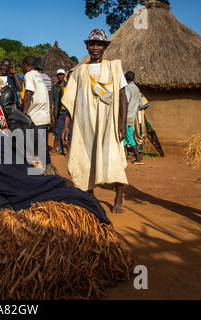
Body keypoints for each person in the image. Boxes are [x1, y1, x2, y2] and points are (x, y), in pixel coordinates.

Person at [0, 52, 109, 224]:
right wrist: (59, 182)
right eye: (9, 106)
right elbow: (22, 185)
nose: (14, 113)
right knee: (82, 200)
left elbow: (11, 173)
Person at [62, 29, 128, 214]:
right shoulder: (79, 72)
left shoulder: (114, 67)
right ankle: (90, 197)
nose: (95, 47)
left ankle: (118, 198)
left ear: (105, 47)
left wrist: (122, 124)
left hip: (109, 124)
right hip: (85, 125)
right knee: (84, 160)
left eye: (99, 44)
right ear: (87, 46)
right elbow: (70, 101)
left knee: (114, 159)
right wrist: (66, 126)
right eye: (92, 44)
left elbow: (123, 97)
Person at [21, 56, 52, 167]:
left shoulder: (29, 75)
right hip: (44, 118)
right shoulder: (39, 75)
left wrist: (23, 114)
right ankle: (49, 173)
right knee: (43, 150)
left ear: (25, 65)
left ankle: (37, 177)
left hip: (35, 118)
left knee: (34, 152)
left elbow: (28, 93)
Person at [124, 71, 143, 165]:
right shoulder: (137, 89)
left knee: (122, 137)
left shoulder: (127, 88)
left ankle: (134, 157)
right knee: (129, 137)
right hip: (132, 117)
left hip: (125, 117)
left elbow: (125, 101)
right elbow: (140, 103)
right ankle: (137, 157)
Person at [50, 68, 69, 155]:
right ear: (57, 76)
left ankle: (62, 148)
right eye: (59, 75)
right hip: (58, 111)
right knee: (58, 129)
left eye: (62, 75)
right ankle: (59, 148)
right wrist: (52, 114)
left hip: (67, 111)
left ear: (64, 76)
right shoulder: (54, 87)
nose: (60, 76)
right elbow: (53, 101)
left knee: (65, 129)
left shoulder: (68, 85)